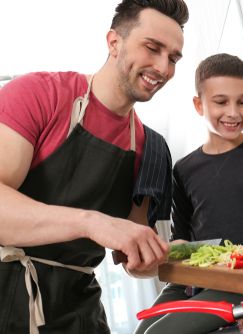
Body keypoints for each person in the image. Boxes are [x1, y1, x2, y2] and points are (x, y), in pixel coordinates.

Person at [0, 0, 188, 333]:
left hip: (79, 314)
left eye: (173, 58)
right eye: (152, 48)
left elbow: (134, 260)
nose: (163, 67)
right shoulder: (39, 95)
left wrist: (162, 256)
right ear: (114, 42)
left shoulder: (153, 151)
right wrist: (90, 222)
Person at [134, 53, 243, 334]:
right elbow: (181, 239)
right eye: (221, 102)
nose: (233, 112)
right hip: (192, 279)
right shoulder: (183, 169)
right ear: (199, 104)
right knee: (143, 331)